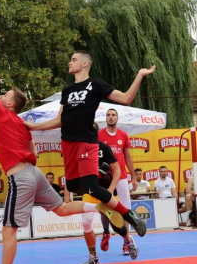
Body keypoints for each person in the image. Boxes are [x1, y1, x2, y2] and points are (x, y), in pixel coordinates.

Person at [0, 32, 117, 264]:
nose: (0, 95)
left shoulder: (1, 113)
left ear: (9, 104)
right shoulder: (21, 124)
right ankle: (98, 205)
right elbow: (33, 151)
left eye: (4, 95)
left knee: (9, 230)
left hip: (21, 176)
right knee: (62, 209)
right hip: (35, 173)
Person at [26, 49, 153, 238]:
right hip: (67, 144)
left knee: (92, 187)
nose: (70, 62)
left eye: (73, 59)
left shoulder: (96, 85)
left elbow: (126, 98)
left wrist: (140, 75)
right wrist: (32, 127)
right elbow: (58, 120)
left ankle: (129, 214)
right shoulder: (67, 90)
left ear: (85, 64)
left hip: (86, 142)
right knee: (74, 186)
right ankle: (101, 177)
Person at [98, 108, 137, 255]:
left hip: (121, 178)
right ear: (106, 118)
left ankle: (126, 243)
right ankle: (106, 232)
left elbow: (128, 157)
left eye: (113, 115)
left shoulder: (123, 135)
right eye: (108, 115)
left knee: (125, 210)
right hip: (105, 179)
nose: (111, 117)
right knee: (105, 209)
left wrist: (133, 176)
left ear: (117, 118)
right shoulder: (99, 135)